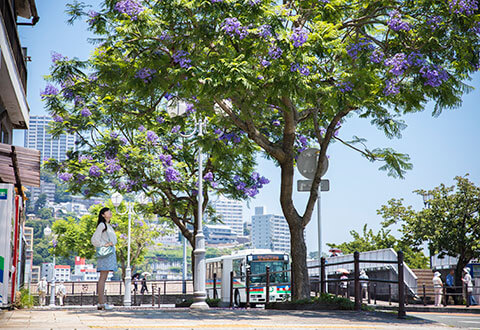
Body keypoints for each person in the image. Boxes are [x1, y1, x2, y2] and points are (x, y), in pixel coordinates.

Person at [91, 207, 118, 310]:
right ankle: (101, 303)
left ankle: (101, 303)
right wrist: (105, 244)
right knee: (103, 278)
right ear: (103, 214)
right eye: (108, 211)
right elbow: (94, 240)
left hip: (109, 253)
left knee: (104, 277)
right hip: (105, 253)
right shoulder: (102, 225)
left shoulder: (108, 225)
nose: (110, 213)